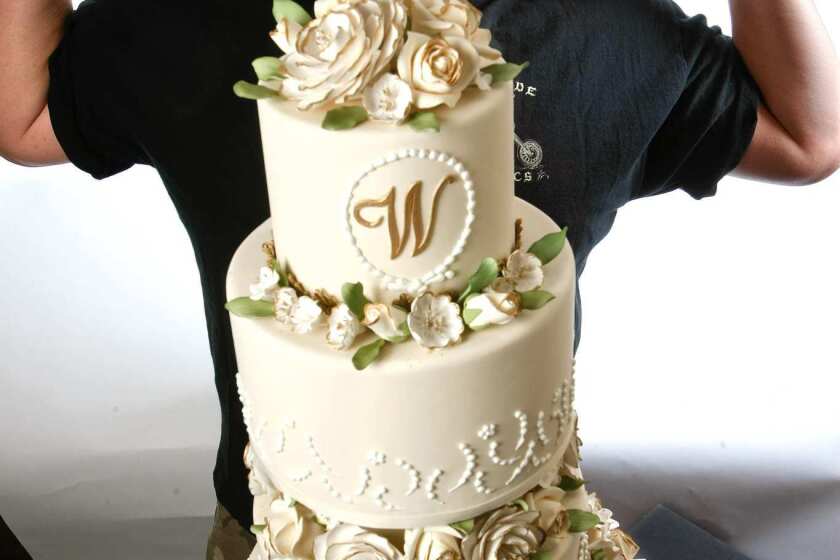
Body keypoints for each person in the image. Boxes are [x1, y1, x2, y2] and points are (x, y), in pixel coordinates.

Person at [1, 0, 839, 558]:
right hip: (283, 524)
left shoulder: (605, 24)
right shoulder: (187, 19)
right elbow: (28, 119)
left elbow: (809, 142)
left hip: (522, 521)